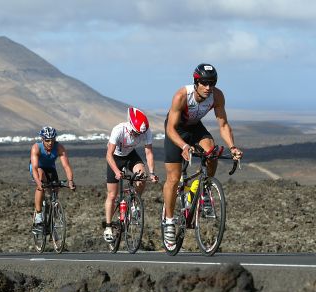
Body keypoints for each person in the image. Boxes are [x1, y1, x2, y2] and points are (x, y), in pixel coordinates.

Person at [162, 63, 243, 248]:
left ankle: (203, 190)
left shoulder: (217, 95)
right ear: (196, 82)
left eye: (212, 83)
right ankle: (169, 222)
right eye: (204, 83)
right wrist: (183, 145)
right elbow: (170, 128)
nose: (208, 87)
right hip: (176, 130)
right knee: (173, 179)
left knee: (212, 152)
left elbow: (223, 125)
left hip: (195, 128)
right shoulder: (182, 96)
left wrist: (232, 147)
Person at [103, 107, 158, 242]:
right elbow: (108, 155)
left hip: (130, 155)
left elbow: (149, 152)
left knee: (142, 176)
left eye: (140, 133)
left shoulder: (145, 131)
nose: (137, 135)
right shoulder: (119, 130)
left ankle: (134, 203)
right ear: (129, 126)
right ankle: (108, 227)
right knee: (112, 194)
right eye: (135, 132)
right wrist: (116, 171)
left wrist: (152, 173)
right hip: (115, 158)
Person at [30, 126, 76, 226]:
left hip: (50, 168)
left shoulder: (59, 147)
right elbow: (34, 167)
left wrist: (70, 181)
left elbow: (66, 166)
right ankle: (38, 214)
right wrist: (38, 183)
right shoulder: (36, 147)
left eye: (52, 140)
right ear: (42, 139)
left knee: (55, 190)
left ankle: (52, 215)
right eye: (47, 140)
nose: (50, 143)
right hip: (38, 168)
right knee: (41, 179)